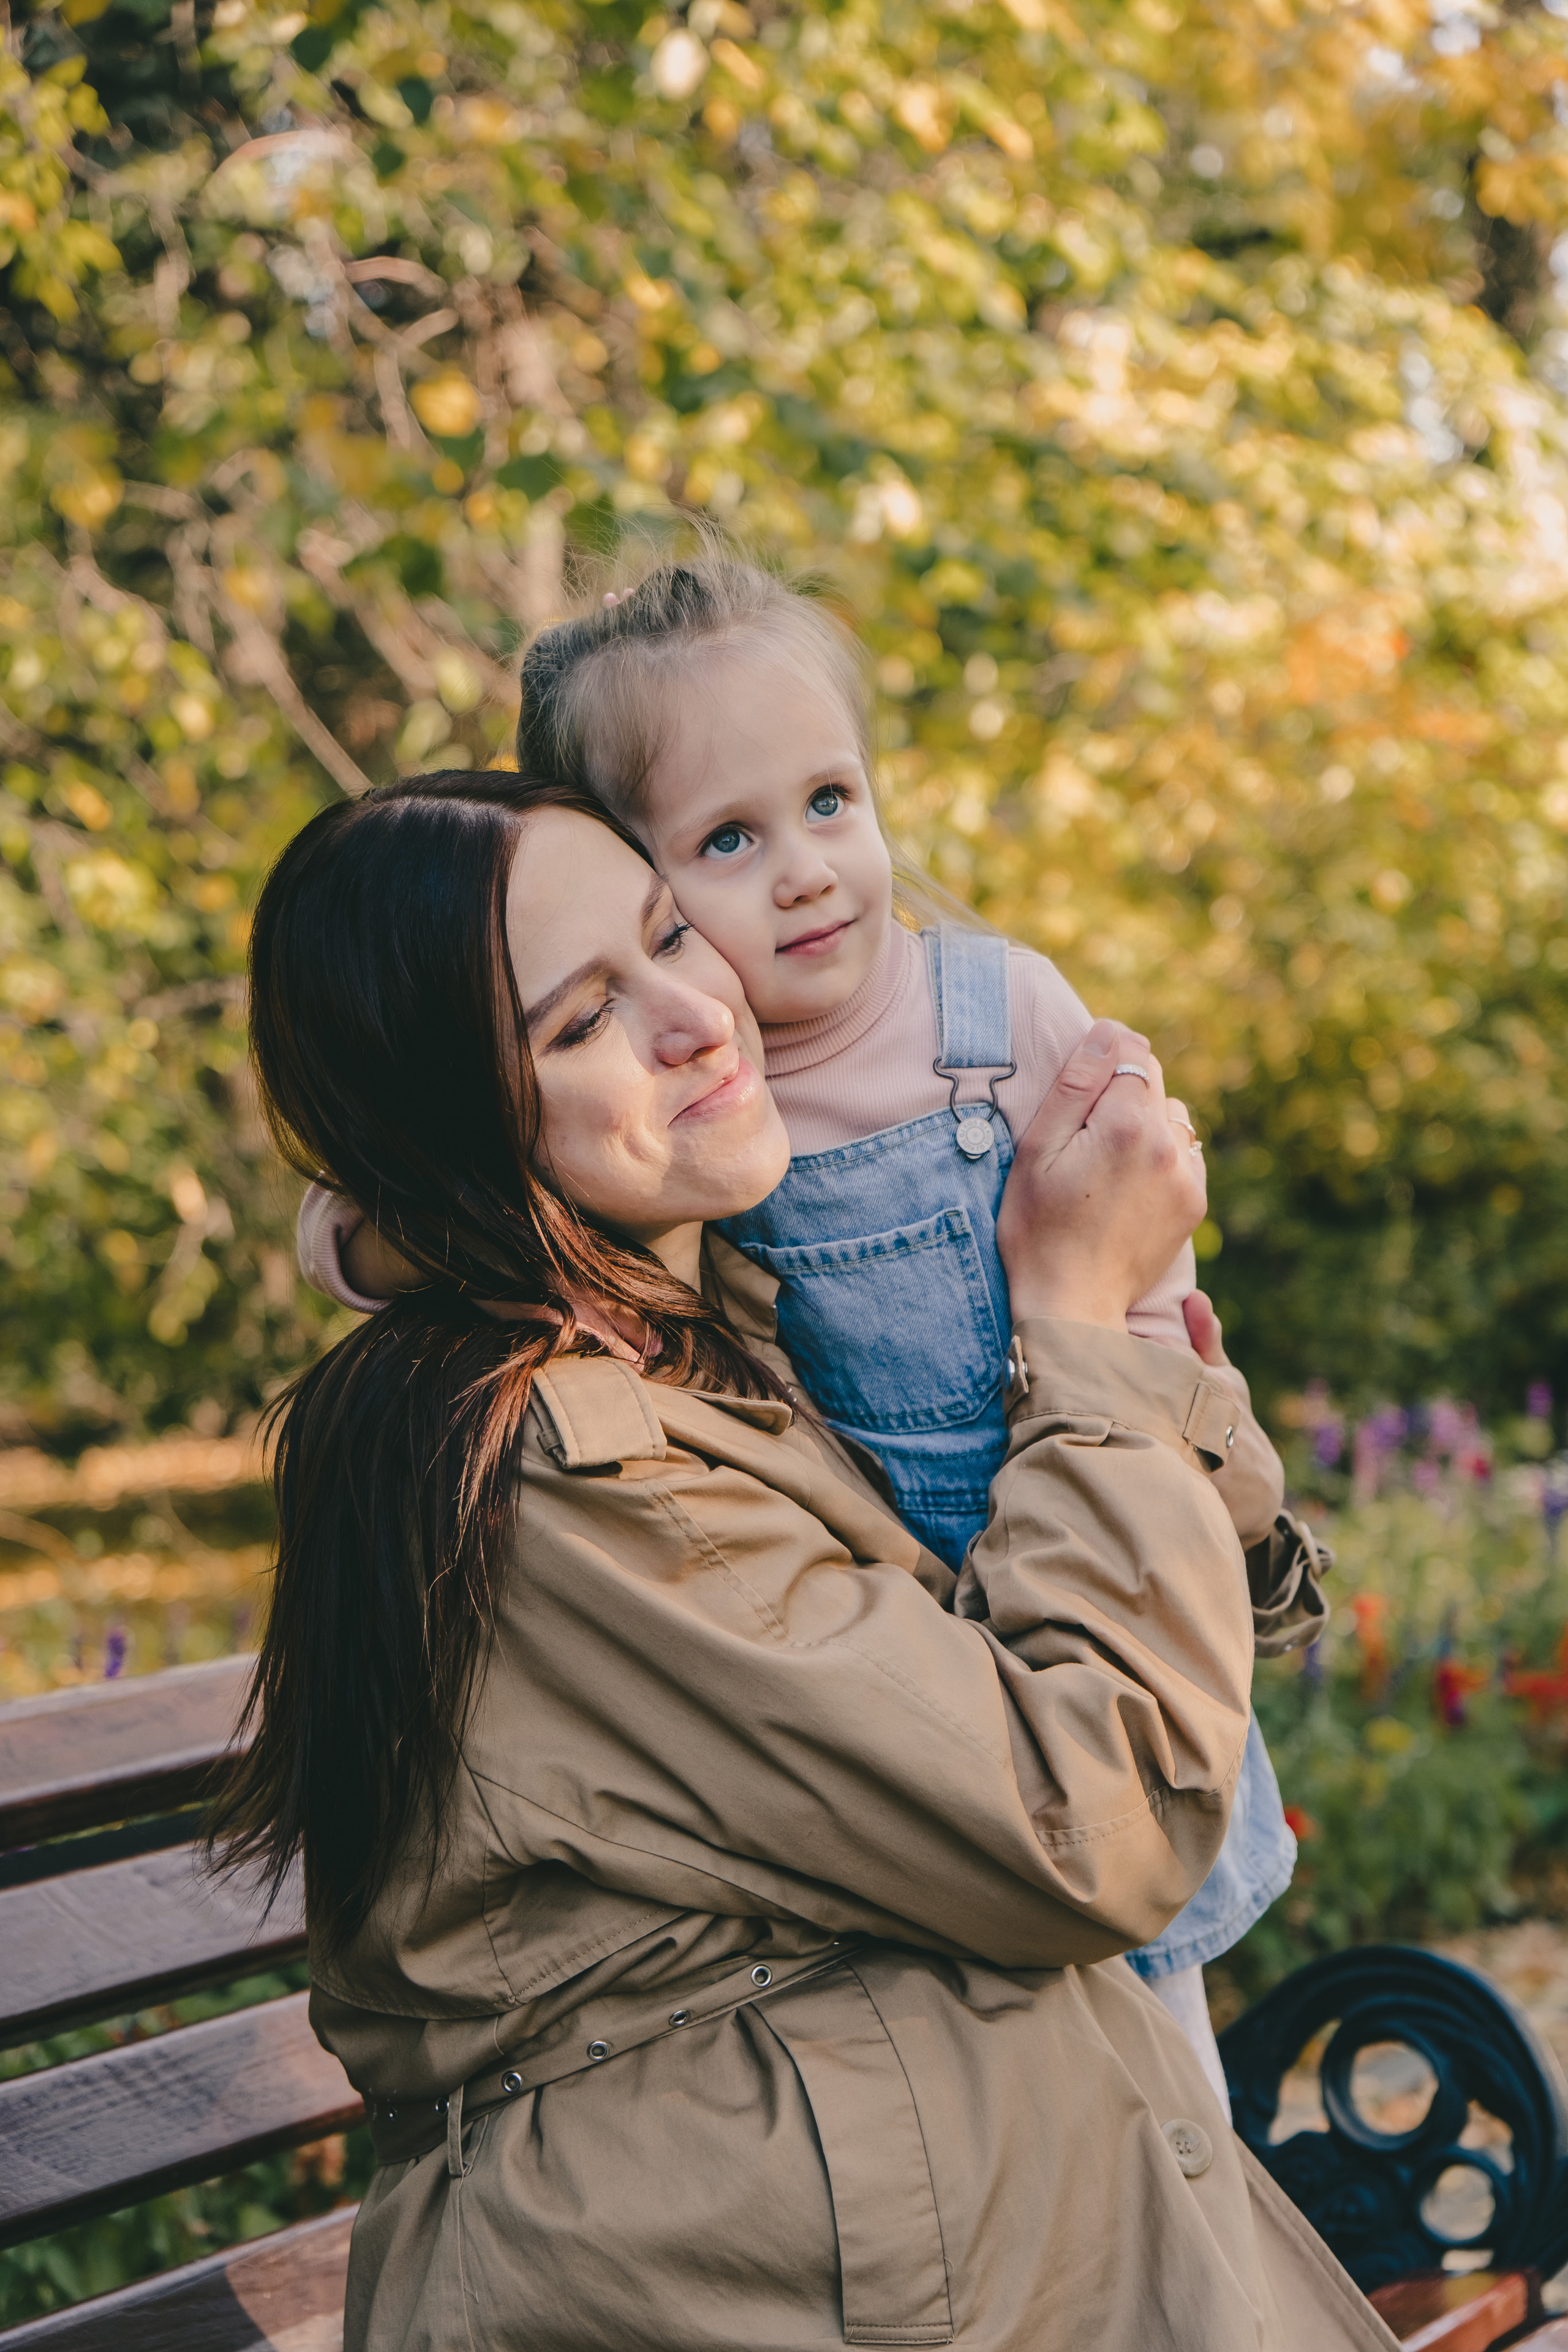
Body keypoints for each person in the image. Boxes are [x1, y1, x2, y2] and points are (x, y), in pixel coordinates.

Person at [225, 770, 1392, 2351]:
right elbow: (1091, 1818)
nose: (695, 1017)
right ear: (450, 1132)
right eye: (579, 1023)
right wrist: (1075, 1323)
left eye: (667, 937)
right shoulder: (576, 1475)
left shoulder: (686, 1317)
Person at [297, 557, 1316, 2104]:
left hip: (1090, 1592)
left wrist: (1200, 1463)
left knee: (1172, 2074)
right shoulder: (694, 1139)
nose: (801, 876)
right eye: (726, 842)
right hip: (954, 1698)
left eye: (831, 802)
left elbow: (1149, 1291)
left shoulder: (979, 1026)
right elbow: (386, 1204)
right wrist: (383, 1221)